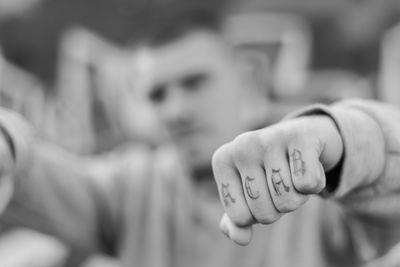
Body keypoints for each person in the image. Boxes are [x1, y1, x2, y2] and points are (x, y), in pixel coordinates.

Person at [1, 4, 400, 267]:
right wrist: (8, 142)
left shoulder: (316, 185)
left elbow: (390, 172)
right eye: (157, 94)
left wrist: (337, 136)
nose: (176, 110)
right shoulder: (130, 187)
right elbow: (33, 174)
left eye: (195, 82)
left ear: (248, 78)